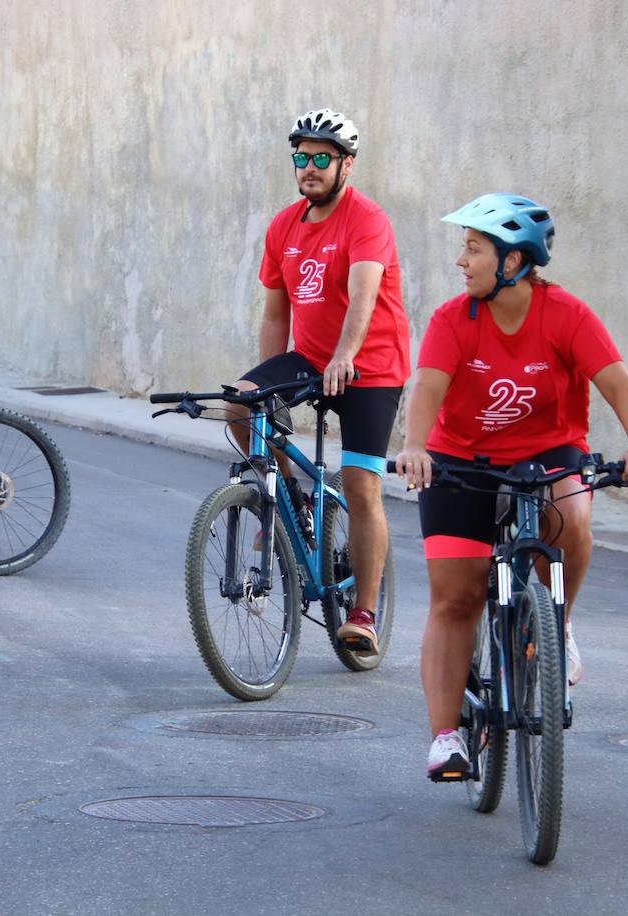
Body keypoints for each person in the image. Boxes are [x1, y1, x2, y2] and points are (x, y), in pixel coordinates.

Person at [393, 193, 628, 778]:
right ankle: (446, 738)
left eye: (474, 249)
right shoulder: (452, 319)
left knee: (574, 510)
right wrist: (416, 447)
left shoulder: (564, 313)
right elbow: (430, 389)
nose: (461, 261)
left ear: (513, 261)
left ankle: (557, 624)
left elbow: (616, 381)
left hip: (547, 452)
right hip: (459, 459)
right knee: (456, 597)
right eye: (464, 247)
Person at [231, 108, 410, 655]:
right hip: (311, 356)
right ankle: (290, 496)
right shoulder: (283, 226)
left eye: (321, 159)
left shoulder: (366, 219)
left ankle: (365, 613)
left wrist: (345, 356)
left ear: (346, 165)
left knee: (360, 485)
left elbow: (364, 294)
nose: (309, 167)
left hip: (372, 365)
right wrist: (264, 387)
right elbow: (274, 314)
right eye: (301, 157)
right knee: (241, 405)